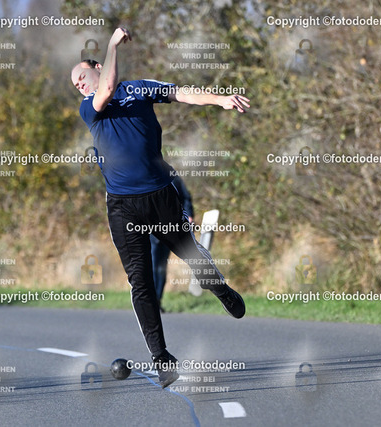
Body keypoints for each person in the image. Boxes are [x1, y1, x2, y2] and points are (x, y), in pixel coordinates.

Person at [71, 27, 249, 388]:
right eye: (75, 84)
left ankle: (220, 289)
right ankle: (162, 358)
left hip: (161, 196)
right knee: (140, 281)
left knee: (192, 256)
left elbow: (181, 93)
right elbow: (106, 89)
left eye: (82, 76)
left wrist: (220, 100)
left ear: (98, 67)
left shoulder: (139, 88)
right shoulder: (90, 107)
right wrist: (112, 44)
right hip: (123, 207)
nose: (79, 85)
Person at [151, 175, 194, 311]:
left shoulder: (174, 178)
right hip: (150, 230)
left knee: (161, 267)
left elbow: (186, 198)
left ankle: (157, 300)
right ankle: (150, 302)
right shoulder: (146, 177)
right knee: (151, 265)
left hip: (170, 230)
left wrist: (188, 215)